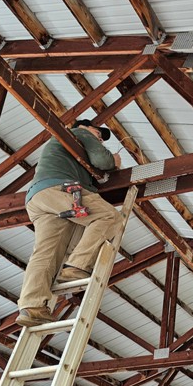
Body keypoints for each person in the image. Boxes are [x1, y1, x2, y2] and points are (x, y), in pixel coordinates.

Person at [16, 119, 122, 327]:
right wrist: (115, 161)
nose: (99, 137)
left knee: (46, 251)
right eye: (97, 132)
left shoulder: (68, 152)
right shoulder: (80, 133)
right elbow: (103, 160)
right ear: (84, 126)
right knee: (110, 216)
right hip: (61, 188)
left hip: (38, 198)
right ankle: (77, 265)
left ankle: (31, 306)